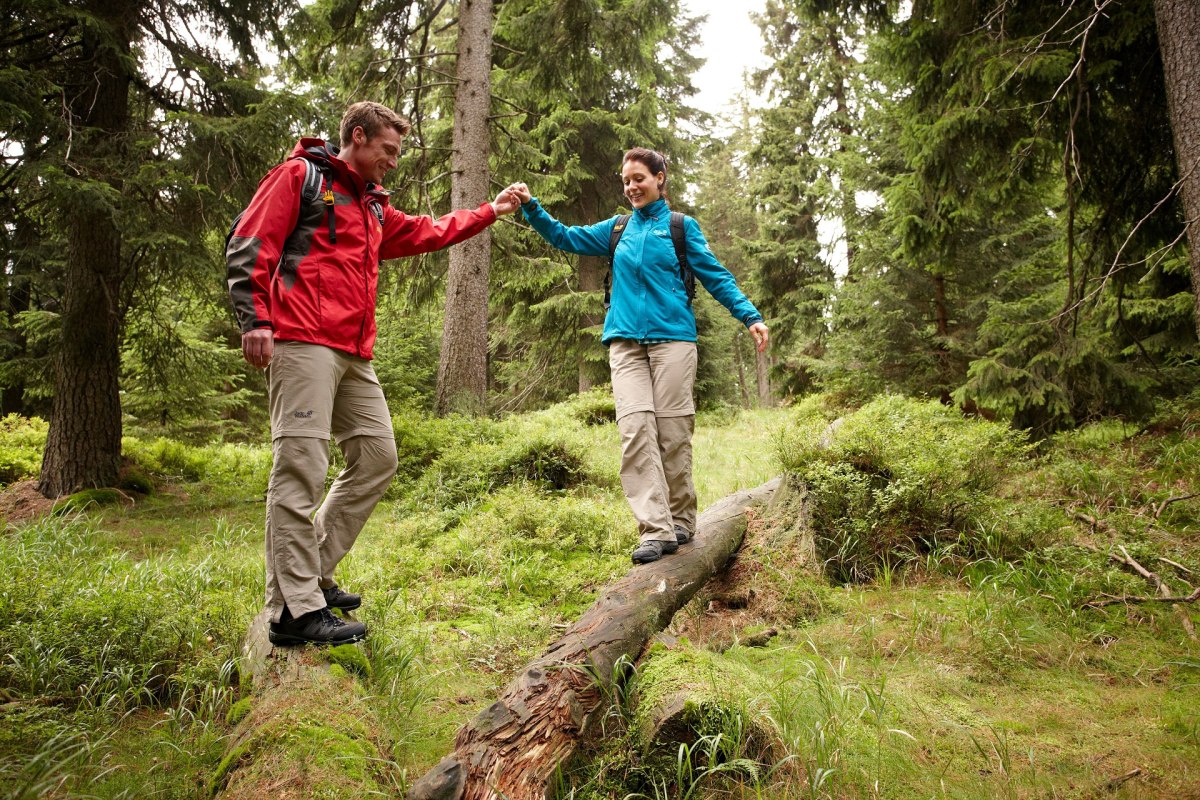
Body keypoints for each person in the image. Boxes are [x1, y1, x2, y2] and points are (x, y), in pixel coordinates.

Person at [227, 101, 521, 646]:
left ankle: (310, 577)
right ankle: (294, 612)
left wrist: (492, 211)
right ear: (357, 138)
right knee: (301, 469)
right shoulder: (302, 177)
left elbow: (430, 231)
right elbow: (251, 240)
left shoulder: (374, 208)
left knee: (378, 457)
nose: (393, 162)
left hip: (353, 352)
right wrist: (255, 319)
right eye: (388, 150)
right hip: (301, 340)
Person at [507, 147, 768, 565]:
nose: (631, 187)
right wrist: (532, 207)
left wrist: (749, 316)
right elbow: (565, 236)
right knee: (635, 431)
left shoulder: (681, 228)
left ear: (660, 178)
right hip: (625, 343)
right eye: (626, 181)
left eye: (639, 179)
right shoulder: (617, 229)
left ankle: (682, 521)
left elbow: (716, 276)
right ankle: (655, 530)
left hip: (673, 342)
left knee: (672, 434)